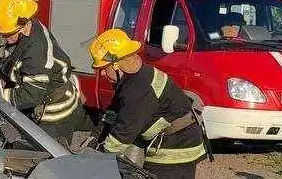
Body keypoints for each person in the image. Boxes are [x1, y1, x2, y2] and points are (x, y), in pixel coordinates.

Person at [88, 28, 206, 179]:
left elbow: (124, 133)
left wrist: (101, 158)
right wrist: (96, 135)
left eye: (105, 68)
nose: (103, 73)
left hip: (175, 145)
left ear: (117, 65)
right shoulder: (133, 77)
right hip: (181, 137)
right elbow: (116, 112)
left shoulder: (136, 89)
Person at [0, 0, 86, 145]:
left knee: (47, 159)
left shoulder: (37, 55)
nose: (3, 38)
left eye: (7, 34)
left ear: (22, 25)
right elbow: (15, 58)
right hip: (45, 97)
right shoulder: (30, 25)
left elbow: (30, 96)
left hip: (55, 114)